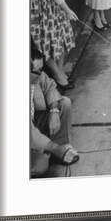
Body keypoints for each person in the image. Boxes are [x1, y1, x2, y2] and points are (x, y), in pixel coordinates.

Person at [30, 43, 79, 177]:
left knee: (65, 103)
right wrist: (53, 148)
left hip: (35, 119)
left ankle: (61, 146)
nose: (41, 74)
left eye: (42, 70)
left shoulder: (37, 76)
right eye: (37, 71)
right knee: (40, 166)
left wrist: (54, 111)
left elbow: (50, 86)